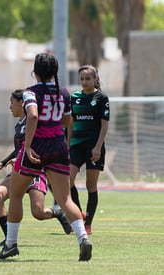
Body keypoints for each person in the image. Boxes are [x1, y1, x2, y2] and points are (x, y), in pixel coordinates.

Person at [0, 53, 92, 261]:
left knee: (16, 193)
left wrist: (28, 145)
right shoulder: (64, 93)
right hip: (58, 147)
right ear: (55, 72)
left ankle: (11, 244)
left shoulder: (31, 92)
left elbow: (33, 115)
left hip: (37, 148)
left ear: (35, 72)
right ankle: (83, 238)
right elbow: (67, 121)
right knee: (65, 199)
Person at [0, 89, 71, 246]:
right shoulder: (18, 125)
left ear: (21, 103)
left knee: (38, 213)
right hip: (19, 170)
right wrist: (4, 161)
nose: (10, 107)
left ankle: (58, 213)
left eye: (11, 102)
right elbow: (19, 149)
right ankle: (9, 240)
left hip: (34, 170)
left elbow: (37, 146)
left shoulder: (34, 122)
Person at [68, 65, 110, 235]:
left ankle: (88, 224)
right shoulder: (74, 97)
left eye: (88, 78)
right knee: (68, 181)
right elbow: (70, 123)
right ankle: (79, 214)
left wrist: (98, 146)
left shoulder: (101, 98)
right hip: (76, 145)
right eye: (82, 79)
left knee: (90, 185)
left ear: (95, 79)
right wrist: (67, 144)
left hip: (94, 146)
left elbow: (104, 124)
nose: (84, 81)